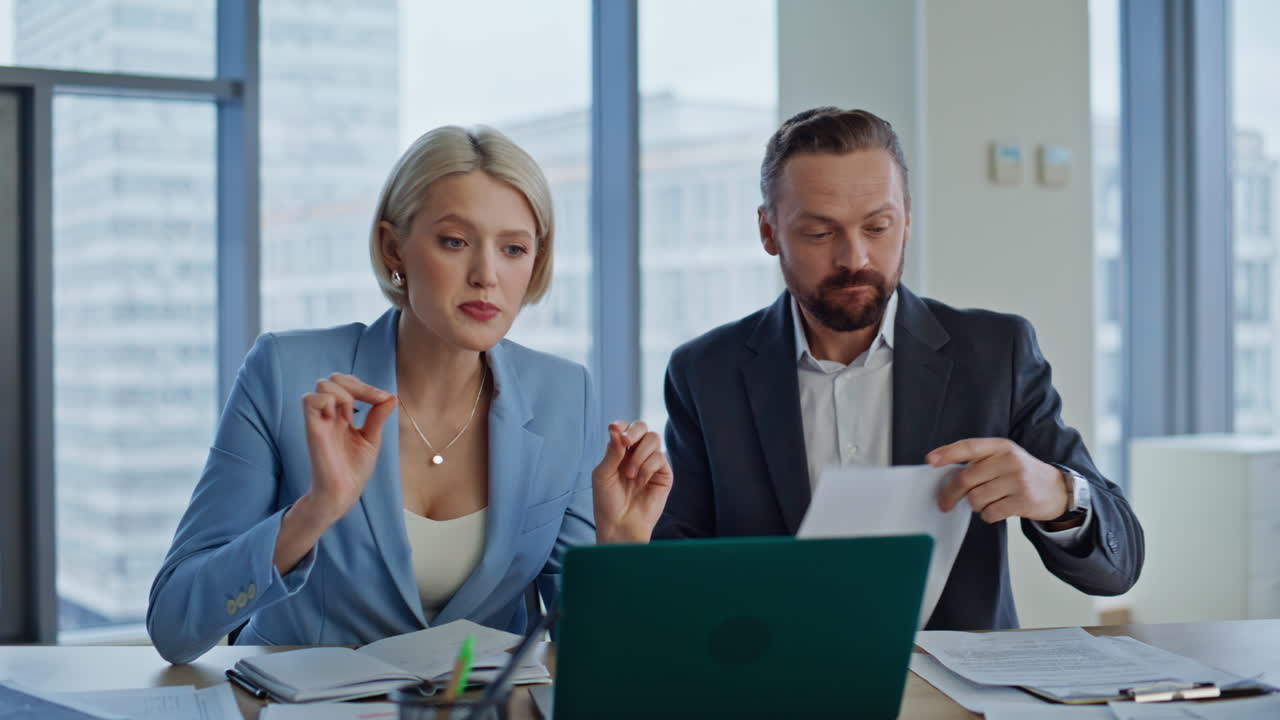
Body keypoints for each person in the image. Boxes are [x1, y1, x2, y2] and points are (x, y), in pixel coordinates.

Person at [148, 126, 672, 664]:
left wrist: (620, 549)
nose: (486, 275)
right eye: (455, 242)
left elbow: (588, 653)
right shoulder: (284, 372)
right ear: (392, 245)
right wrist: (315, 511)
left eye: (513, 249)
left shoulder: (565, 394)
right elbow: (174, 625)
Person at [655, 107, 1143, 630]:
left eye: (878, 226)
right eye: (820, 233)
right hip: (776, 686)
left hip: (956, 696)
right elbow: (676, 570)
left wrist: (1058, 495)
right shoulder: (705, 373)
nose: (855, 257)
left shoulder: (996, 353)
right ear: (768, 230)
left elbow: (1118, 570)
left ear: (906, 219)